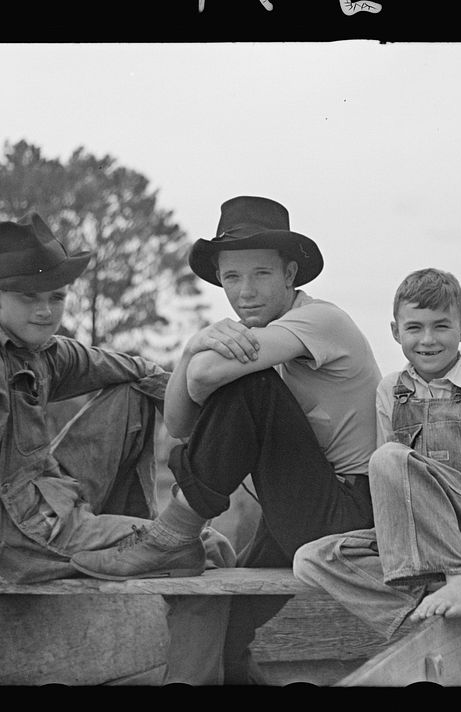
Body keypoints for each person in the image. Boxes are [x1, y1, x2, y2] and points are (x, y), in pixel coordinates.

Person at [70, 195, 381, 684]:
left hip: (351, 514)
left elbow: (207, 379)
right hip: (298, 506)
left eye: (260, 275)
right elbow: (179, 424)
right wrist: (196, 341)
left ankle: (173, 534)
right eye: (232, 278)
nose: (245, 293)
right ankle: (176, 536)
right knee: (230, 635)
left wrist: (204, 356)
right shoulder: (262, 338)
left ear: (291, 275)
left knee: (250, 384)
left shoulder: (321, 321)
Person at [0, 213, 236, 645]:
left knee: (132, 386)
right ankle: (199, 677)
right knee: (208, 547)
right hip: (27, 535)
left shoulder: (43, 351)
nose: (45, 310)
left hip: (62, 500)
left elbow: (136, 368)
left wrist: (226, 414)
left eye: (56, 297)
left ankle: (140, 533)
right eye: (29, 297)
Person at [292, 267, 461, 639]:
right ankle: (427, 604)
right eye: (414, 328)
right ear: (396, 332)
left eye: (441, 326)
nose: (428, 340)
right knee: (311, 559)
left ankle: (459, 578)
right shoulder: (390, 392)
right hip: (421, 536)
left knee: (389, 457)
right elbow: (389, 485)